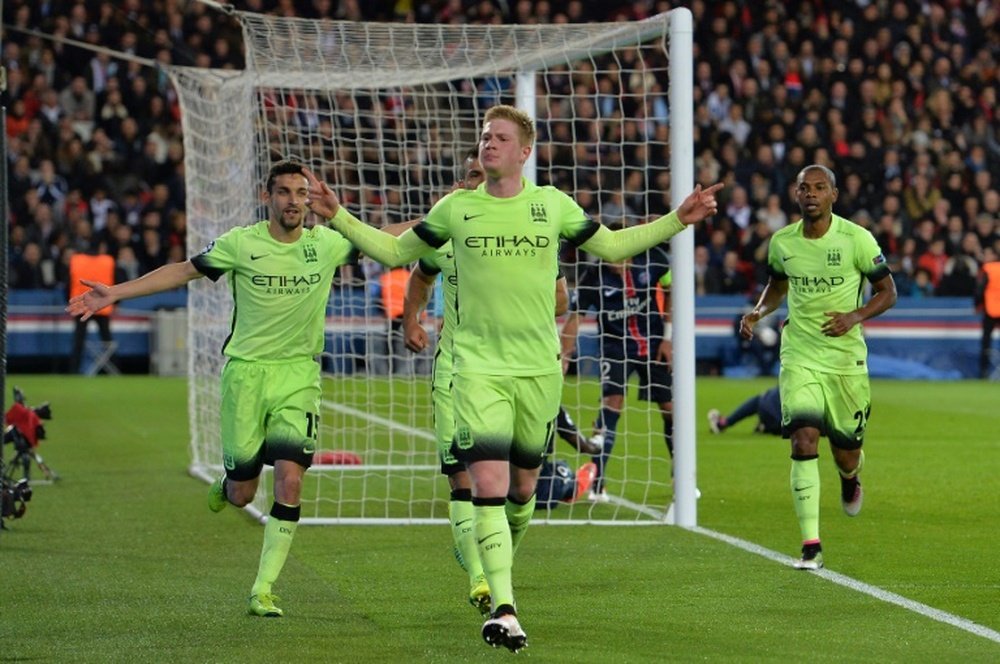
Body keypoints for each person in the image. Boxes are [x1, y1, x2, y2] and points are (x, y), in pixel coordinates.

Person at [305, 104, 722, 652]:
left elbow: (613, 245)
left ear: (525, 151)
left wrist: (677, 218)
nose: (489, 144)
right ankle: (504, 608)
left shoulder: (551, 207)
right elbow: (396, 251)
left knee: (524, 490)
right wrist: (339, 216)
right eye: (484, 136)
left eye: (500, 137)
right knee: (489, 485)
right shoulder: (456, 209)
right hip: (477, 370)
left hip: (539, 371)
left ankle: (501, 567)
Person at [67, 160, 379, 619]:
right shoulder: (241, 244)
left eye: (300, 192)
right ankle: (229, 481)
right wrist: (115, 293)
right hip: (246, 376)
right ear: (267, 197)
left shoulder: (327, 244)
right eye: (285, 192)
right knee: (242, 495)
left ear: (310, 200)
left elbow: (386, 239)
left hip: (299, 376)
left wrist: (441, 219)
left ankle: (263, 589)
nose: (294, 200)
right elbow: (182, 270)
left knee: (290, 480)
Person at [400, 148, 600, 617]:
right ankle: (481, 583)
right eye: (469, 175)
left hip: (519, 366)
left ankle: (494, 559)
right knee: (463, 478)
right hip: (458, 370)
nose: (475, 182)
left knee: (518, 488)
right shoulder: (448, 229)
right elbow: (418, 276)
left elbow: (558, 297)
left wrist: (538, 308)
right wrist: (411, 319)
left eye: (480, 174)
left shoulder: (524, 230)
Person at [739, 164, 897, 571]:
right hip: (800, 356)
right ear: (796, 195)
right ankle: (811, 544)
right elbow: (778, 285)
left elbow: (888, 291)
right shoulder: (782, 243)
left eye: (819, 187)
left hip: (845, 361)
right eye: (804, 188)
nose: (810, 193)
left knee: (846, 453)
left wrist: (855, 316)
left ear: (833, 195)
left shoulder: (856, 239)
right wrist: (758, 312)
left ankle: (850, 478)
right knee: (803, 439)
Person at [559, 233, 674, 503]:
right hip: (615, 348)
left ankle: (679, 475)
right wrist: (564, 356)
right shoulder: (594, 274)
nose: (613, 260)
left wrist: (668, 336)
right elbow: (575, 316)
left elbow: (671, 288)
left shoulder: (653, 258)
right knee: (612, 403)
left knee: (671, 409)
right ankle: (598, 481)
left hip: (654, 344)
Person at [68, 250, 116, 374]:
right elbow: (116, 280)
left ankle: (74, 370)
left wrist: (71, 302)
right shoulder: (108, 261)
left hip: (82, 305)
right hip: (102, 305)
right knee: (107, 341)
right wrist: (116, 302)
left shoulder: (77, 260)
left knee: (79, 340)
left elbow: (69, 282)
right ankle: (113, 370)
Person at [707, 386, 782, 435]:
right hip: (780, 423)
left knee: (759, 399)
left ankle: (723, 423)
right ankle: (764, 427)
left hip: (767, 408)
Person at [975, 246, 1000, 378]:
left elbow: (979, 290)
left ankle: (983, 371)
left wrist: (976, 305)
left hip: (990, 310)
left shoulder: (987, 269)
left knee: (986, 342)